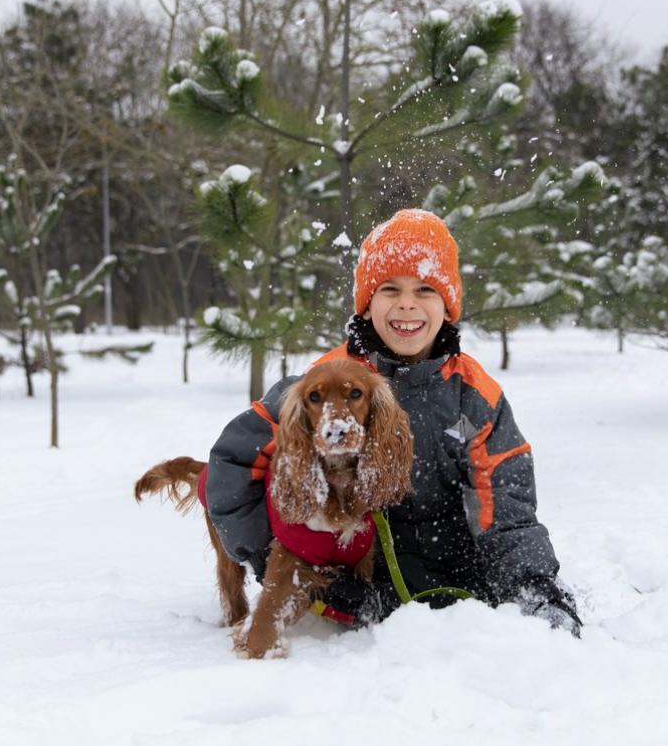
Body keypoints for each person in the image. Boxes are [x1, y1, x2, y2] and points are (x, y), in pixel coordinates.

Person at [205, 208, 582, 636]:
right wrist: (274, 555)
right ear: (367, 303)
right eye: (389, 289)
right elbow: (232, 465)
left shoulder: (475, 395)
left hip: (458, 574)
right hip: (355, 584)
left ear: (447, 304)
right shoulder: (324, 382)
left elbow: (506, 506)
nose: (407, 303)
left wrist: (532, 587)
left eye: (425, 288)